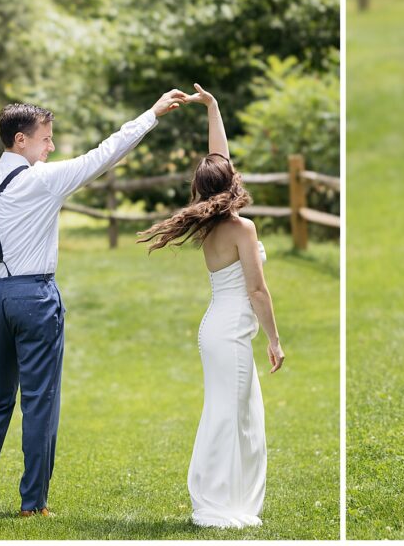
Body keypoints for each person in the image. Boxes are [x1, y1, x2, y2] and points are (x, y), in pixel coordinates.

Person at [0, 88, 187, 516]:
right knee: (39, 400)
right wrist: (151, 114)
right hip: (34, 297)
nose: (51, 146)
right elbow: (105, 154)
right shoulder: (44, 180)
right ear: (21, 140)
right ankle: (32, 505)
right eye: (46, 138)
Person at [138, 84, 285, 528]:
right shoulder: (242, 228)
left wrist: (214, 109)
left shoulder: (207, 219)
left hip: (217, 331)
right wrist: (275, 341)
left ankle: (228, 495)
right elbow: (258, 292)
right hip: (231, 335)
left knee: (239, 416)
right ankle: (219, 503)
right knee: (229, 418)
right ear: (231, 184)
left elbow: (218, 162)